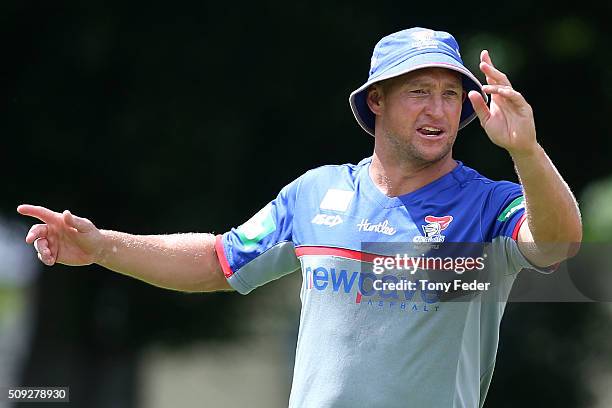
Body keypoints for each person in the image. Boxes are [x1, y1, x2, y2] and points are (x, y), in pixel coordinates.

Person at [18, 27, 582, 407]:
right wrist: (101, 247)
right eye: (418, 92)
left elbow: (557, 243)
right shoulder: (317, 193)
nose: (438, 109)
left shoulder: (488, 203)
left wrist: (527, 151)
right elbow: (219, 261)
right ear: (377, 100)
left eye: (450, 95)